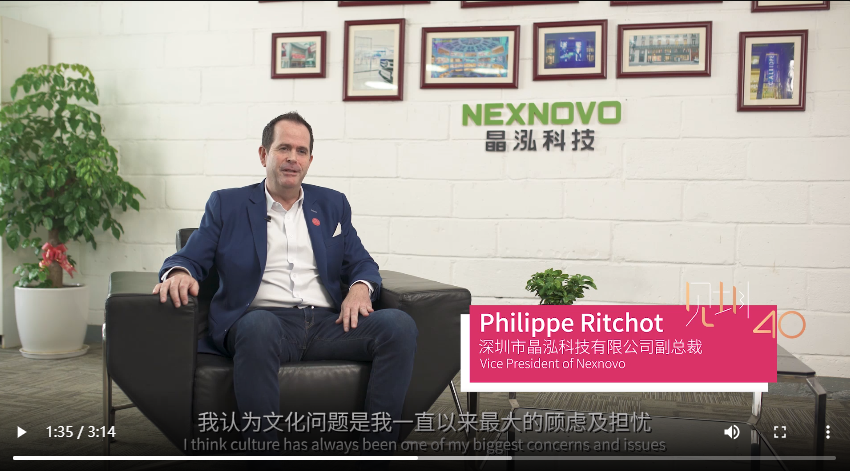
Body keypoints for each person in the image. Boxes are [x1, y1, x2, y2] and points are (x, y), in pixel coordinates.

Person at [153, 111, 418, 455]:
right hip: (263, 323)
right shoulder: (228, 204)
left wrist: (359, 288)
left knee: (398, 325)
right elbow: (190, 256)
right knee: (260, 325)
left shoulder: (332, 203)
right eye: (284, 148)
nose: (293, 158)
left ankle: (376, 455)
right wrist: (179, 273)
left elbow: (362, 263)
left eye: (301, 151)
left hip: (327, 324)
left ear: (309, 160)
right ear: (264, 154)